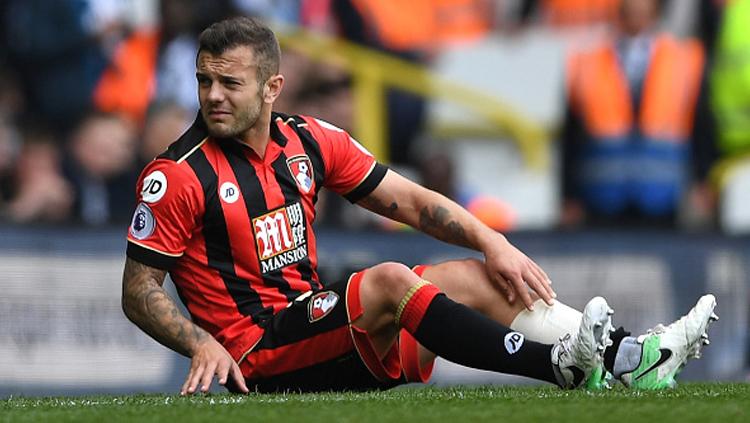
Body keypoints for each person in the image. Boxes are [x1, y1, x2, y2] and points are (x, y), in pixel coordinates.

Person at [121, 16, 717, 394]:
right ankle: (560, 365)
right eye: (205, 82)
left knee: (478, 278)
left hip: (319, 324)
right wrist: (202, 343)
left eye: (231, 83)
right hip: (258, 354)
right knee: (386, 281)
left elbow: (405, 200)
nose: (214, 96)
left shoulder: (307, 140)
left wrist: (494, 241)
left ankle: (632, 358)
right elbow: (139, 290)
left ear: (273, 88)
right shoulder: (179, 174)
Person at [561, 0, 716, 228]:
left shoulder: (682, 59)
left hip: (661, 195)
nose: (636, 18)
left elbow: (701, 125)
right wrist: (569, 194)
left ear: (655, 13)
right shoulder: (589, 61)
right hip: (603, 196)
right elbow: (571, 136)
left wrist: (703, 179)